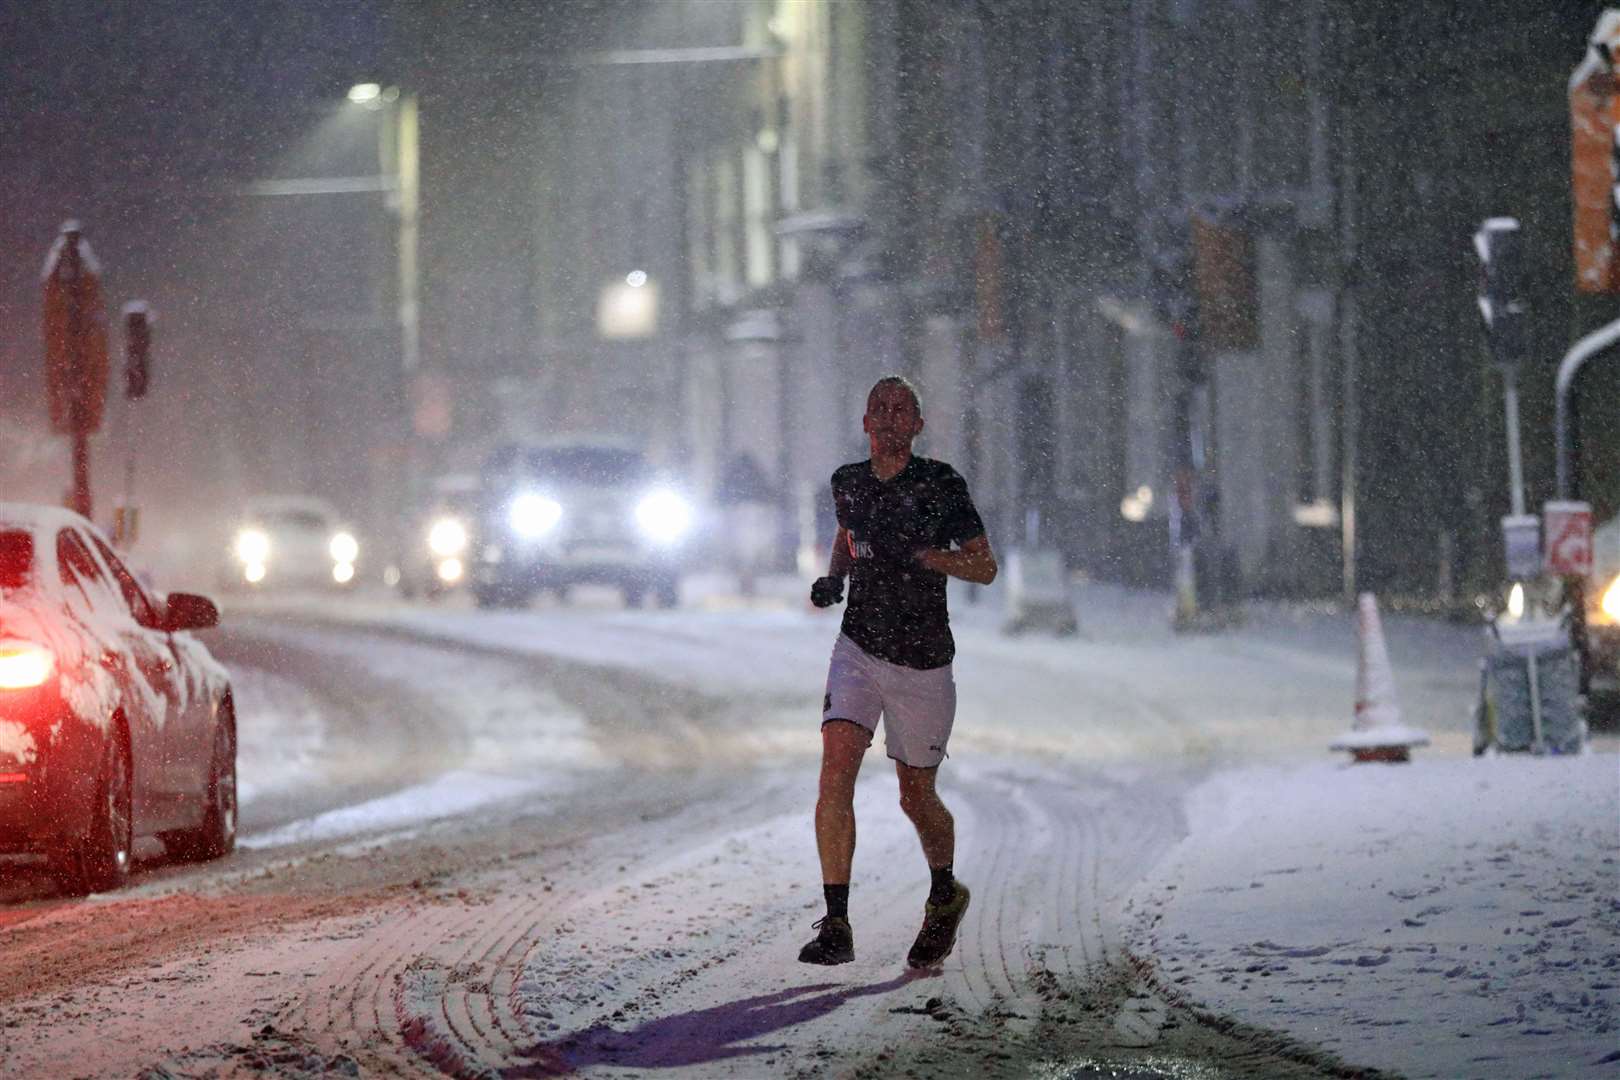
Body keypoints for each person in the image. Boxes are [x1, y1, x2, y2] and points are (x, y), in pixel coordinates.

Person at [799, 375, 997, 968]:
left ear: (918, 424)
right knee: (835, 774)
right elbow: (847, 534)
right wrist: (836, 577)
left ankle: (945, 891)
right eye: (877, 409)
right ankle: (836, 924)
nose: (888, 418)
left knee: (917, 795)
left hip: (923, 660)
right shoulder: (847, 483)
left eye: (900, 410)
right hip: (858, 648)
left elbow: (984, 566)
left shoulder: (940, 485)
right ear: (864, 423)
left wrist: (926, 557)